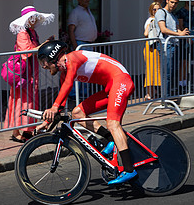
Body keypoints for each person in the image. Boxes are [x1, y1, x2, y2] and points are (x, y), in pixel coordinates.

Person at [37, 40, 136, 185]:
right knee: (77, 113)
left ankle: (129, 169)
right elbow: (62, 101)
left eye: (44, 61)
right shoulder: (64, 71)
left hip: (121, 80)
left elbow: (68, 85)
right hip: (111, 86)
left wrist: (53, 106)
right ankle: (111, 139)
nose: (44, 66)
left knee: (113, 123)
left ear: (53, 56)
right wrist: (47, 121)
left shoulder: (73, 58)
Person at [5, 6, 54, 143]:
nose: (35, 20)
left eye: (35, 17)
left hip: (30, 71)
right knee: (20, 100)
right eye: (32, 17)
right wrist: (44, 44)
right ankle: (16, 131)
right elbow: (27, 51)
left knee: (28, 100)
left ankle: (27, 129)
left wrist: (44, 44)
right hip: (22, 72)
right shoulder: (23, 33)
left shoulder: (31, 32)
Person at [154, 0, 189, 96]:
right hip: (166, 45)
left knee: (172, 72)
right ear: (167, 1)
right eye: (172, 2)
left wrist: (187, 33)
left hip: (174, 45)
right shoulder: (161, 12)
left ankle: (168, 96)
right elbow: (163, 29)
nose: (173, 5)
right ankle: (165, 98)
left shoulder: (173, 16)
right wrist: (179, 33)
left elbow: (178, 30)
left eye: (176, 3)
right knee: (167, 73)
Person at [67, 0, 97, 101]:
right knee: (79, 70)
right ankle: (74, 94)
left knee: (88, 69)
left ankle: (84, 93)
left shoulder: (88, 11)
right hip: (80, 44)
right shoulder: (76, 12)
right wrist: (75, 46)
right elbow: (71, 29)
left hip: (89, 44)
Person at [176, 1, 194, 94]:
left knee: (187, 62)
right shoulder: (181, 12)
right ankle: (180, 83)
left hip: (191, 39)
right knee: (183, 62)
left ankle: (185, 82)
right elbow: (181, 26)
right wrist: (186, 37)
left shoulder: (193, 13)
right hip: (184, 40)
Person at [143, 2, 162, 100]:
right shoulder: (150, 20)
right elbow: (145, 33)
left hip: (158, 46)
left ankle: (156, 91)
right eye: (154, 9)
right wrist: (151, 25)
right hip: (150, 47)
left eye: (158, 9)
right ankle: (148, 93)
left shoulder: (161, 20)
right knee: (150, 70)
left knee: (158, 69)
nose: (156, 11)